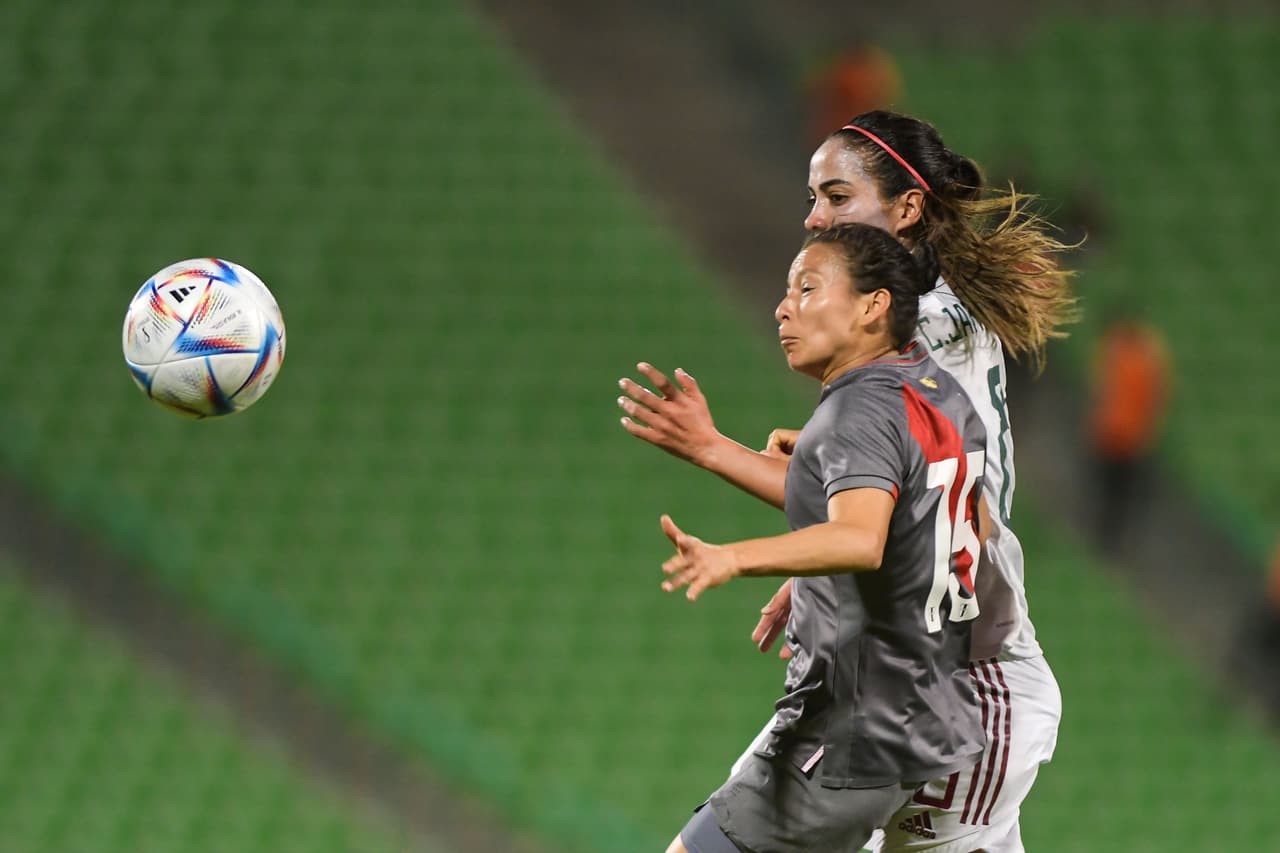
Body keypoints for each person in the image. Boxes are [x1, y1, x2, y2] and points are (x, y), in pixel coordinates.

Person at [618, 110, 1077, 852]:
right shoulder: (931, 313)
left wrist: (718, 457)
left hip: (956, 677)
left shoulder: (906, 332)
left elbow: (938, 511)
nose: (814, 216)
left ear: (907, 206)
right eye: (813, 197)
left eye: (836, 196)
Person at [641, 223, 989, 853]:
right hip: (921, 722)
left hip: (843, 738)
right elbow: (957, 519)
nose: (783, 307)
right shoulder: (937, 391)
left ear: (872, 305)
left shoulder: (857, 410)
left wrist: (733, 558)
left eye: (807, 287)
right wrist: (712, 448)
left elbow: (860, 538)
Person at [1087, 308, 1171, 554]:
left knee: (1110, 493)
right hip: (1128, 438)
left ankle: (1105, 539)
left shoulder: (1117, 354)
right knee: (1118, 495)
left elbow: (1102, 392)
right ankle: (1110, 541)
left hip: (1115, 436)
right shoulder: (1148, 358)